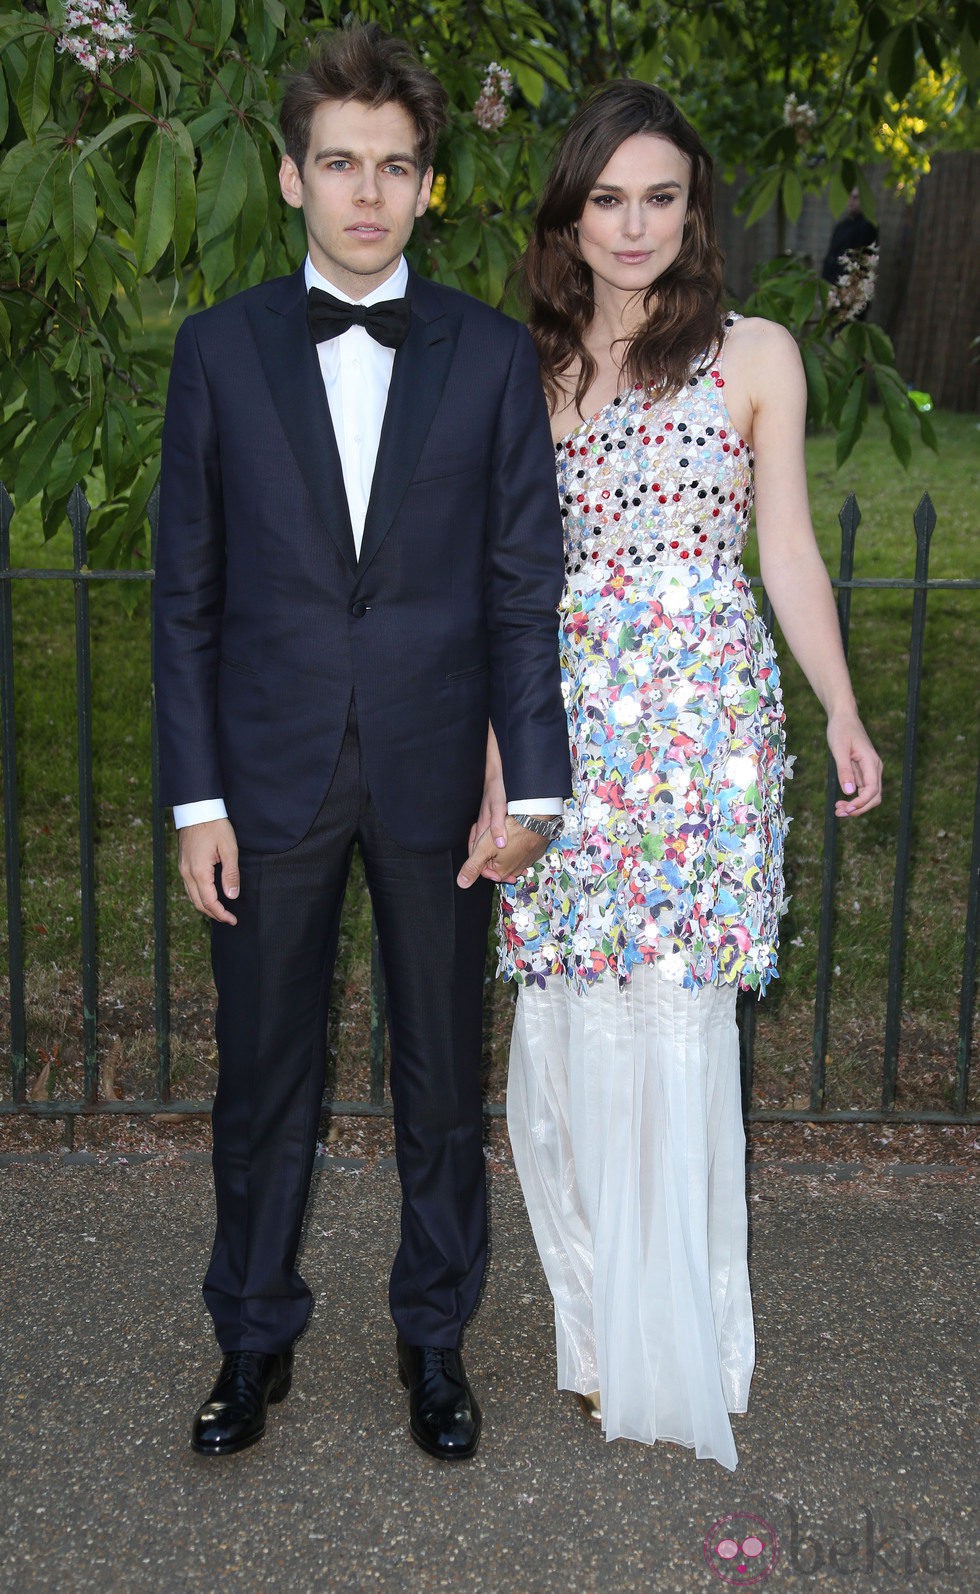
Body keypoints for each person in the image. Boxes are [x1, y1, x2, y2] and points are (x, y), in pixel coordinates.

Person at [153, 22, 571, 1463]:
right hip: (263, 782)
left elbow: (524, 585)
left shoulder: (489, 357)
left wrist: (538, 781)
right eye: (340, 164)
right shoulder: (215, 355)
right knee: (265, 1078)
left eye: (396, 167)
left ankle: (433, 1337)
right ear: (291, 178)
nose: (368, 193)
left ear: (428, 187)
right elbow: (186, 594)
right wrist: (195, 796)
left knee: (441, 1081)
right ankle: (251, 1334)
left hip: (435, 774)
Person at [463, 82, 882, 1471]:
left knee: (679, 1034)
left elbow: (790, 550)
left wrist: (838, 707)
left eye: (660, 194)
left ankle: (688, 1337)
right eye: (606, 197)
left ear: (693, 205)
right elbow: (505, 594)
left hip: (705, 734)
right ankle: (594, 1337)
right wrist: (495, 773)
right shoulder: (520, 368)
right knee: (571, 1039)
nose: (634, 224)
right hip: (564, 735)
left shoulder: (756, 354)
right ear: (568, 212)